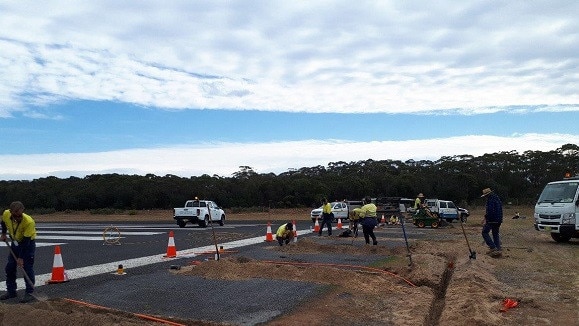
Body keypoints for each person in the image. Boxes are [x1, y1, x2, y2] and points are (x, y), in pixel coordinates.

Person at [0, 201, 37, 303]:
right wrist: (3, 233)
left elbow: (26, 242)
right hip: (15, 243)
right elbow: (3, 222)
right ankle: (11, 291)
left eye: (20, 213)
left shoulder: (29, 221)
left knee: (27, 268)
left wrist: (20, 258)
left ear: (22, 210)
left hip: (27, 245)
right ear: (11, 211)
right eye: (15, 214)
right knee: (10, 267)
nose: (18, 216)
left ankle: (30, 292)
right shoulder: (6, 213)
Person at [481, 188, 503, 257]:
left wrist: (486, 218)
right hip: (499, 219)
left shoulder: (490, 200)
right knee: (495, 234)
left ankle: (493, 247)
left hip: (492, 220)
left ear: (487, 195)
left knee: (484, 232)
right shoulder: (497, 199)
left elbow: (490, 211)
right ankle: (498, 249)